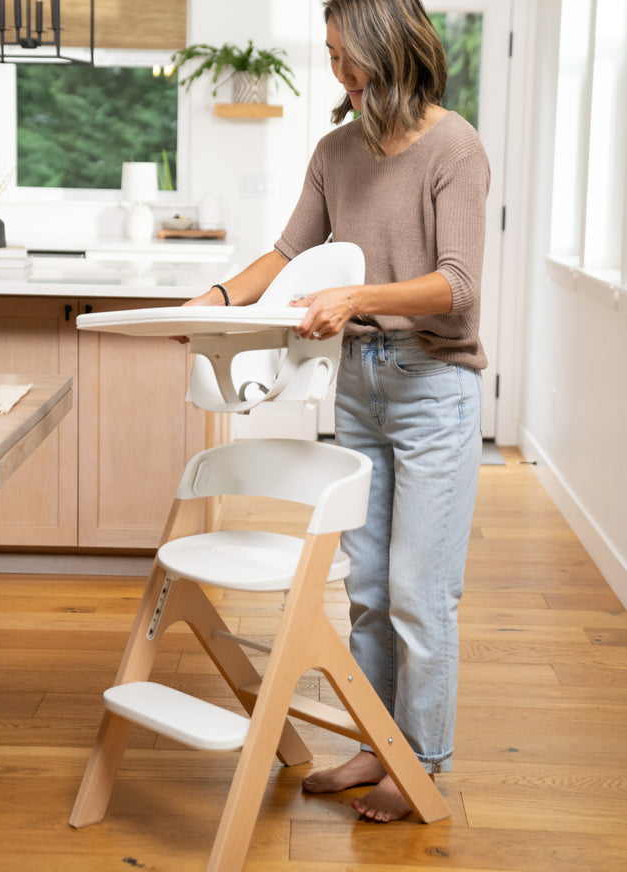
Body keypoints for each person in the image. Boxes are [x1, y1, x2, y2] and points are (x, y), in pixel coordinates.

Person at [183, 0, 489, 822]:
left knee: (420, 592)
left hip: (434, 387)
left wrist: (356, 294)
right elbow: (285, 255)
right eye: (327, 53)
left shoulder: (454, 147)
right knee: (367, 590)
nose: (336, 70)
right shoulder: (335, 153)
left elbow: (458, 286)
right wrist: (210, 300)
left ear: (387, 49)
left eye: (343, 53)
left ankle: (418, 764)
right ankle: (374, 745)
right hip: (357, 383)